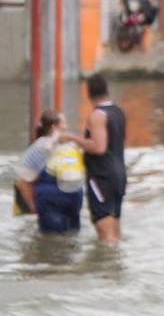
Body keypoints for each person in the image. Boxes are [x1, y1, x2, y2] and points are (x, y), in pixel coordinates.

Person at [60, 74, 128, 245]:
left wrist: (72, 138)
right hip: (119, 173)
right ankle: (116, 268)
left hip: (101, 176)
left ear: (88, 93)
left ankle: (104, 270)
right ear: (106, 89)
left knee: (104, 233)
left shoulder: (98, 115)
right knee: (115, 232)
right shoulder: (118, 112)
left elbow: (99, 147)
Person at [14, 110, 84, 233]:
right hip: (52, 201)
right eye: (63, 123)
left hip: (71, 201)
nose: (66, 127)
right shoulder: (41, 147)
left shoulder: (71, 145)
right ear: (54, 127)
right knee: (56, 241)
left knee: (69, 239)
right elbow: (22, 181)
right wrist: (33, 206)